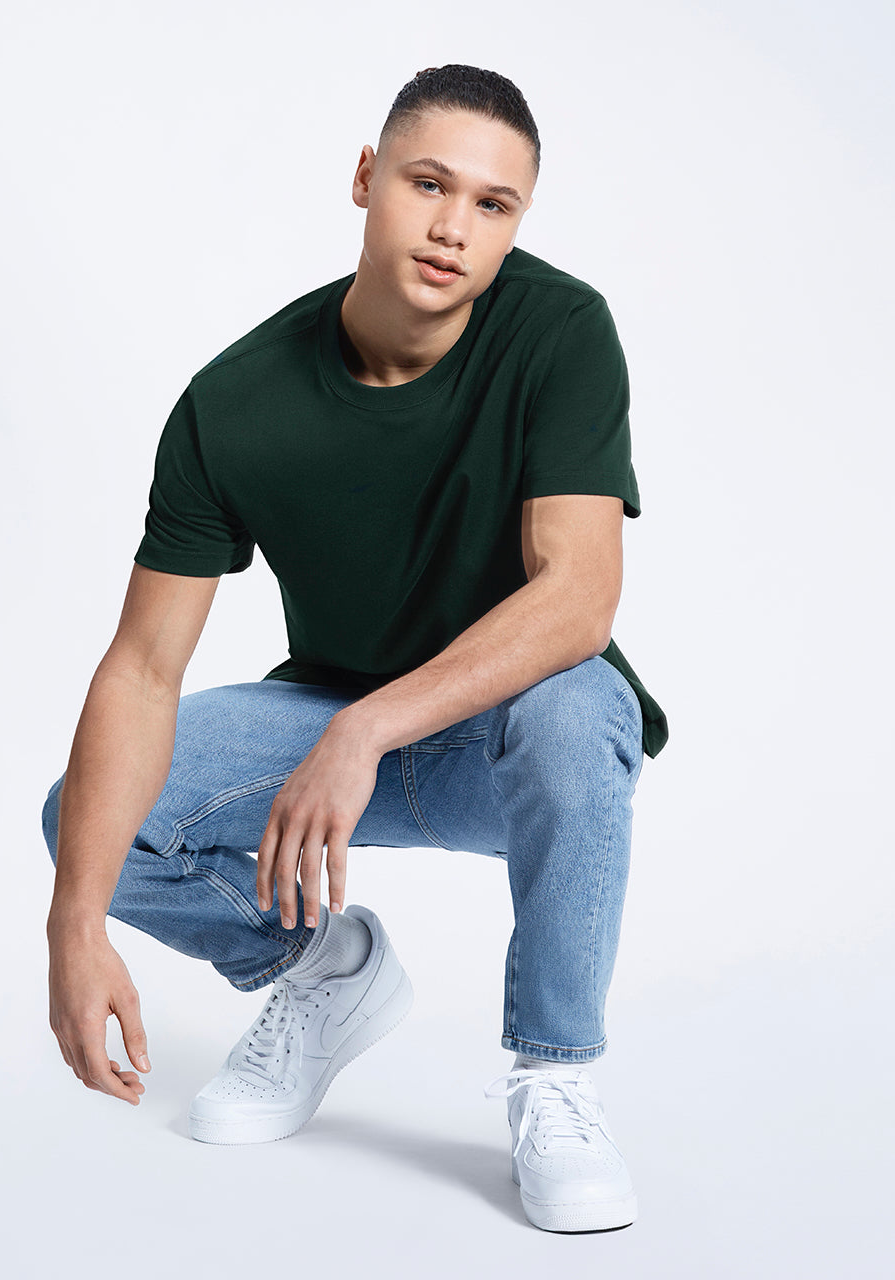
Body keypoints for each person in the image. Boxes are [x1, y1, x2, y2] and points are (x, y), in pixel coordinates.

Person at [40, 64, 669, 1235]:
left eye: (494, 205)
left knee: (581, 708)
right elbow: (141, 669)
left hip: (508, 736)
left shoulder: (560, 330)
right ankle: (323, 973)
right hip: (332, 730)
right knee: (87, 815)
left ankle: (554, 1074)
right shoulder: (234, 402)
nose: (453, 227)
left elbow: (577, 597)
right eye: (429, 184)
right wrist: (71, 927)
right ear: (366, 177)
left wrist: (367, 726)